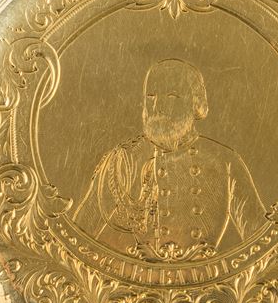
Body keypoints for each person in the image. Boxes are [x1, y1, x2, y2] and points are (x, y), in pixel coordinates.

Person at [73, 59, 267, 259]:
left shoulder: (225, 161)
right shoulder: (124, 159)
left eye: (172, 96)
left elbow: (261, 243)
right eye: (151, 97)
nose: (158, 107)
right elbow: (79, 236)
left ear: (196, 102)